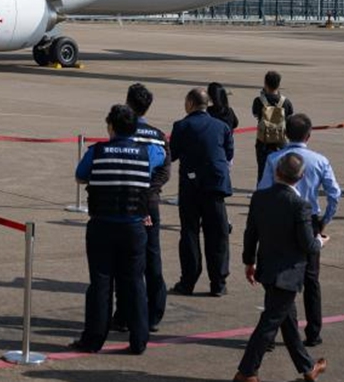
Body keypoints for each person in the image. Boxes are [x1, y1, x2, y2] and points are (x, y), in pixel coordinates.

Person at [70, 103, 167, 355]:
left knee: (101, 283)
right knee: (134, 282)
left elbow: (80, 175)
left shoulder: (97, 151)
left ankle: (93, 339)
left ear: (110, 127)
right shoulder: (147, 153)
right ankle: (139, 340)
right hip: (134, 227)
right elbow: (163, 155)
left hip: (102, 225)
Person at [235, 153, 327, 382]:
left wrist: (249, 261)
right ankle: (246, 372)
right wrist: (321, 242)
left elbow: (251, 233)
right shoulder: (300, 205)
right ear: (301, 177)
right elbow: (308, 244)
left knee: (288, 323)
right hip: (287, 274)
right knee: (269, 324)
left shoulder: (260, 197)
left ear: (277, 172)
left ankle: (307, 368)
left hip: (267, 268)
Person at [257, 114, 341, 348]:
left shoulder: (275, 158)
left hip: (279, 219)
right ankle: (313, 333)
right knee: (311, 280)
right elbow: (334, 194)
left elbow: (263, 190)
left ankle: (270, 335)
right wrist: (325, 220)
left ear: (285, 133)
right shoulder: (319, 160)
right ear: (309, 135)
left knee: (277, 277)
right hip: (309, 219)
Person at [112, 83, 170, 333]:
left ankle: (124, 314)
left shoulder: (124, 131)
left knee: (125, 260)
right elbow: (165, 171)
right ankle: (154, 313)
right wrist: (150, 191)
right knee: (152, 256)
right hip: (151, 202)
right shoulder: (158, 135)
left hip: (127, 202)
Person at [169, 87, 234, 297]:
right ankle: (219, 282)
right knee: (218, 234)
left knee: (189, 233)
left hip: (191, 186)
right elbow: (228, 153)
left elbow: (172, 154)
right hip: (215, 186)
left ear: (190, 104)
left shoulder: (181, 126)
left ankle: (188, 281)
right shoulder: (222, 127)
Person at [251, 71, 294, 186]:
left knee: (262, 168)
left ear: (265, 83)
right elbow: (290, 117)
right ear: (279, 84)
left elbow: (255, 115)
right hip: (281, 140)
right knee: (281, 169)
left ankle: (261, 190)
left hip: (263, 140)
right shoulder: (286, 102)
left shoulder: (259, 101)